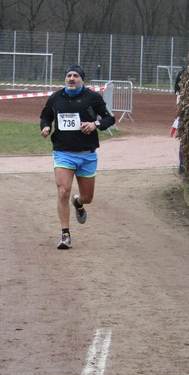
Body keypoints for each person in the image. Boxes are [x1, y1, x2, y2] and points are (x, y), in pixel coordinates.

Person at [40, 65, 116, 249]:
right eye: (69, 76)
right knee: (62, 191)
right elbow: (45, 116)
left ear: (82, 79)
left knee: (87, 197)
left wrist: (95, 124)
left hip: (86, 154)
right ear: (65, 79)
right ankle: (65, 235)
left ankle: (78, 202)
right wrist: (45, 127)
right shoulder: (56, 98)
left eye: (75, 76)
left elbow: (109, 118)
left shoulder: (92, 98)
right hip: (63, 153)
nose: (72, 79)